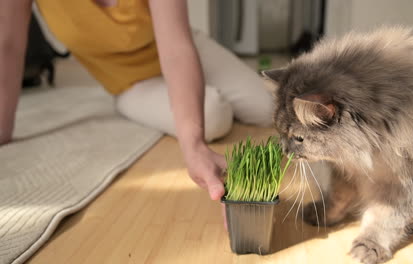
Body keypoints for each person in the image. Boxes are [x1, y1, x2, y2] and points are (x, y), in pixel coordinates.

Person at [0, 0, 273, 203]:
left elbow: (176, 48)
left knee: (268, 105)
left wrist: (193, 144)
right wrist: (194, 143)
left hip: (181, 48)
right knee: (212, 114)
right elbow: (9, 44)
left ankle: (192, 89)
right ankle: (137, 103)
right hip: (129, 80)